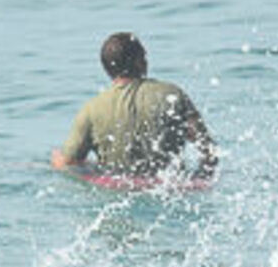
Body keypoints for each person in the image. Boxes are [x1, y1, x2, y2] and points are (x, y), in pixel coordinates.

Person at [50, 32, 217, 180]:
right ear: (140, 62)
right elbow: (207, 147)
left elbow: (69, 162)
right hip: (167, 187)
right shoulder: (172, 94)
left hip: (116, 190)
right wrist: (202, 176)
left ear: (106, 69)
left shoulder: (91, 109)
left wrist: (57, 159)